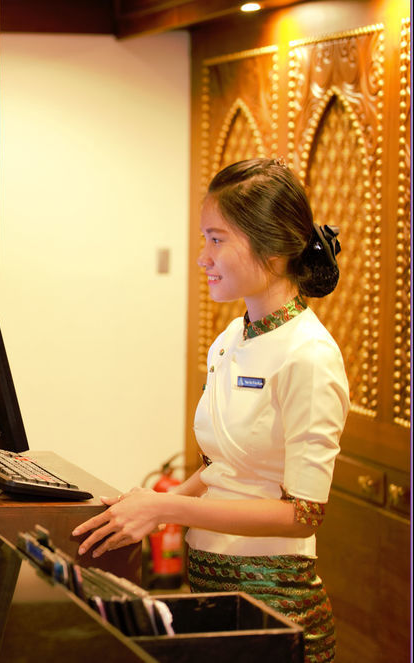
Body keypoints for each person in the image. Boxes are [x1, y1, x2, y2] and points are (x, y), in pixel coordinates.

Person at [72, 158, 348, 662]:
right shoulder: (230, 338)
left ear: (272, 246)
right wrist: (153, 506)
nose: (203, 257)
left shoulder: (309, 356)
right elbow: (222, 466)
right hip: (208, 591)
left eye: (216, 240)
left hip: (276, 611)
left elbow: (304, 515)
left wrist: (168, 508)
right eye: (205, 239)